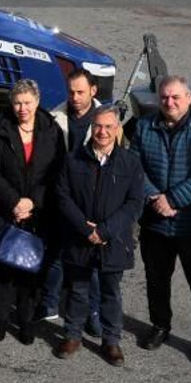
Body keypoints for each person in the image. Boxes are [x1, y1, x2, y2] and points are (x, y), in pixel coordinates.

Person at [128, 75, 191, 365]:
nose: (169, 102)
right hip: (155, 221)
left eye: (176, 97)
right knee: (157, 279)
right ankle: (160, 326)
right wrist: (155, 197)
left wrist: (174, 199)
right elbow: (134, 166)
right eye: (165, 97)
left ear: (189, 99)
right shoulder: (144, 126)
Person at [52, 107, 144, 365]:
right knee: (78, 290)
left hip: (113, 241)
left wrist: (104, 230)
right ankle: (72, 335)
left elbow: (135, 203)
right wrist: (85, 227)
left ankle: (111, 340)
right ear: (92, 128)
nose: (102, 132)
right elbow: (62, 196)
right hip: (79, 238)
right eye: (98, 127)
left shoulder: (130, 162)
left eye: (108, 127)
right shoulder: (73, 160)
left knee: (110, 293)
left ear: (117, 130)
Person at [0, 78, 67, 345]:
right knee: (3, 269)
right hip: (5, 211)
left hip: (38, 214)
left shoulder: (50, 130)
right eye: (17, 103)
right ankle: (0, 319)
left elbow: (56, 172)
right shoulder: (0, 128)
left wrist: (33, 202)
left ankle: (26, 321)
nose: (22, 108)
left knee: (31, 271)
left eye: (27, 102)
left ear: (37, 102)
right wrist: (14, 201)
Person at [42, 70, 104, 326]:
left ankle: (93, 312)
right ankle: (49, 305)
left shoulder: (106, 121)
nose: (75, 97)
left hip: (92, 199)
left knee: (93, 260)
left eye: (80, 92)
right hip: (62, 197)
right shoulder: (55, 118)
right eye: (71, 92)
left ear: (93, 91)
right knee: (56, 254)